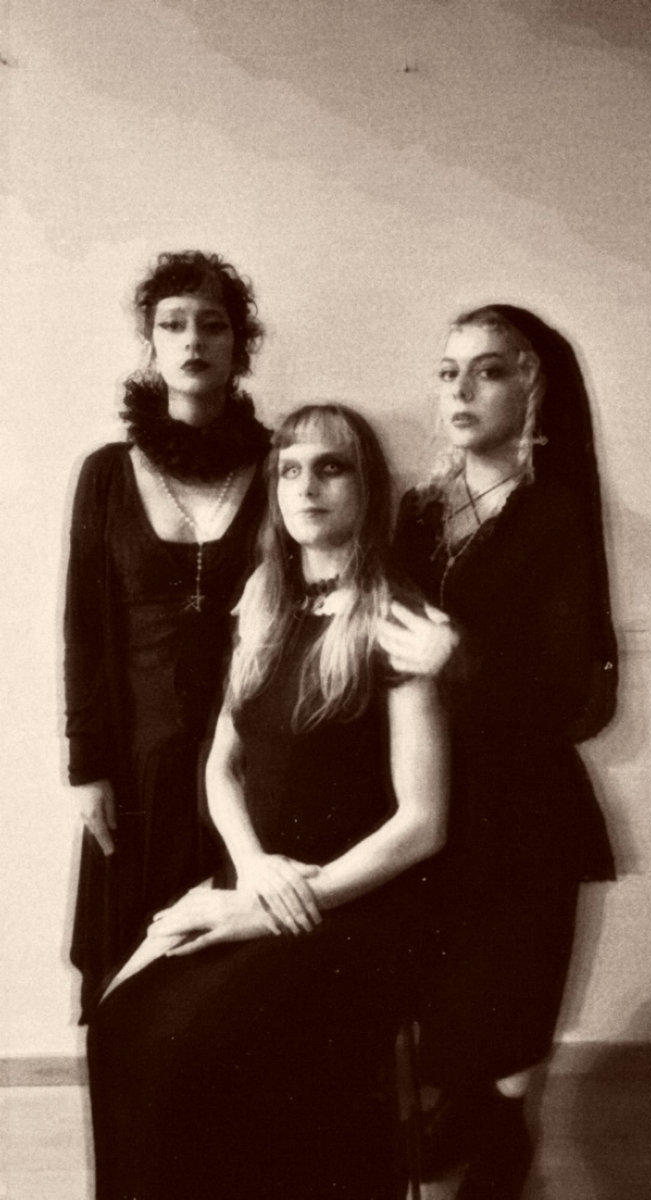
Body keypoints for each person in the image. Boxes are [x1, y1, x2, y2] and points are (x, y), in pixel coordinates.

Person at [86, 403, 449, 1200]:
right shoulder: (263, 602)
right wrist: (248, 872)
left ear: (366, 487)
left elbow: (422, 825)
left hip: (353, 907)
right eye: (290, 470)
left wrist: (270, 903)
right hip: (258, 881)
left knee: (187, 1048)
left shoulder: (398, 618)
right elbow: (221, 766)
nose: (306, 486)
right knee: (117, 1022)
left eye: (331, 467)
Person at [377, 305, 618, 1199]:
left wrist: (462, 660)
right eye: (448, 372)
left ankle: (502, 1153)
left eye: (487, 370)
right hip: (429, 802)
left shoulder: (552, 512)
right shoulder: (418, 510)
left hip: (521, 814)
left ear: (532, 389)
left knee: (507, 1035)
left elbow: (573, 697)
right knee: (438, 1024)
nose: (460, 389)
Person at [64, 250, 270, 1014]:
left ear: (238, 345)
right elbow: (84, 630)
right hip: (137, 759)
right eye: (173, 324)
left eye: (212, 325)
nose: (193, 340)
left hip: (249, 755)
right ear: (150, 343)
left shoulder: (283, 466)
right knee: (128, 964)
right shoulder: (107, 473)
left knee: (231, 979)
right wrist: (87, 768)